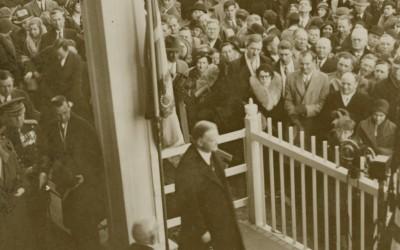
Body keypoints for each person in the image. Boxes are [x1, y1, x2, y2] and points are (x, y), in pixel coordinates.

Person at [44, 95, 106, 250]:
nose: (63, 117)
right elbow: (51, 155)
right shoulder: (51, 129)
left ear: (69, 107)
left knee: (89, 231)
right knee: (75, 229)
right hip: (67, 188)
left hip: (86, 187)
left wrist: (85, 175)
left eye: (65, 112)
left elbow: (96, 157)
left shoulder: (84, 127)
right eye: (58, 114)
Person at [175, 120, 245, 250]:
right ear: (200, 141)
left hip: (222, 221)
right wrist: (202, 230)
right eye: (212, 140)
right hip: (203, 228)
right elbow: (188, 203)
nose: (217, 142)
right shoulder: (187, 168)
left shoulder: (212, 154)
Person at [0, 96, 49, 250]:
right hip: (18, 189)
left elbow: (45, 152)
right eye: (15, 116)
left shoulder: (33, 126)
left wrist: (43, 171)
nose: (20, 119)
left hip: (38, 183)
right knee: (25, 230)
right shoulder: (4, 138)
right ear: (7, 118)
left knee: (43, 225)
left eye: (21, 113)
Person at [285, 50, 330, 137]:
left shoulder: (323, 78)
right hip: (294, 119)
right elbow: (288, 100)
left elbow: (322, 103)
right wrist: (293, 113)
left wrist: (306, 109)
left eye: (307, 64)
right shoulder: (291, 77)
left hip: (314, 122)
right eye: (301, 64)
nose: (304, 67)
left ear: (314, 62)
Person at [320, 72, 371, 137]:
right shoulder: (332, 97)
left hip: (355, 135)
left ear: (355, 84)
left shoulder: (364, 99)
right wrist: (332, 114)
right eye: (343, 83)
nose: (345, 87)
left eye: (348, 84)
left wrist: (349, 116)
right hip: (334, 134)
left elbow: (365, 119)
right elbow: (323, 116)